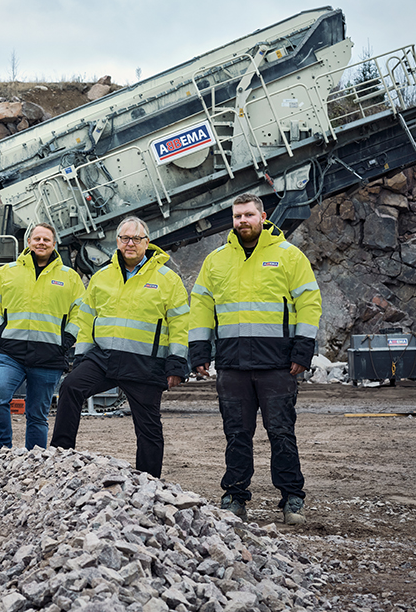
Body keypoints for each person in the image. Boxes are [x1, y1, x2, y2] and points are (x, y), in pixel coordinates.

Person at [189, 193, 321, 525]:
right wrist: (200, 351)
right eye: (237, 216)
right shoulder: (216, 260)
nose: (243, 221)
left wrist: (302, 350)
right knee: (236, 434)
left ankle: (292, 498)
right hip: (232, 365)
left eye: (249, 215)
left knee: (281, 432)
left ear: (263, 217)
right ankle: (235, 496)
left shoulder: (289, 256)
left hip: (277, 364)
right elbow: (201, 308)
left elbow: (309, 303)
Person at [50, 216, 189, 478]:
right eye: (125, 238)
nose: (130, 243)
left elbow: (180, 323)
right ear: (117, 242)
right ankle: (60, 456)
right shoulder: (102, 276)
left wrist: (177, 362)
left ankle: (150, 482)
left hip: (145, 363)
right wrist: (82, 357)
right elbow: (87, 319)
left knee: (148, 428)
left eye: (137, 239)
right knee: (71, 386)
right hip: (104, 359)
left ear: (147, 243)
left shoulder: (167, 279)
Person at [0, 223, 84, 450]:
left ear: (54, 244)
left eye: (46, 240)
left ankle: (34, 461)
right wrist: (0, 331)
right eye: (37, 239)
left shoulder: (69, 277)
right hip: (10, 353)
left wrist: (67, 340)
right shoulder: (7, 272)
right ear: (28, 243)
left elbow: (81, 311)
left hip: (50, 357)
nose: (41, 243)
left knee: (37, 415)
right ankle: (1, 452)